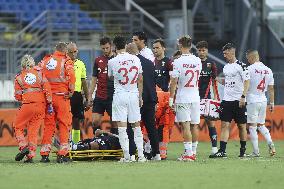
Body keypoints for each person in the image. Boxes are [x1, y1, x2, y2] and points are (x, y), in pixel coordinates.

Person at [108, 36, 146, 162]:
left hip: (120, 94)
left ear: (114, 46)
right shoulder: (135, 58)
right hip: (133, 94)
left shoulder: (112, 61)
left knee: (122, 127)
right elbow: (140, 79)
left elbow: (111, 77)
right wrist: (140, 96)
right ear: (125, 45)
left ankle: (127, 156)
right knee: (136, 126)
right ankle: (141, 156)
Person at [209, 43, 250, 158]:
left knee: (242, 126)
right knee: (224, 125)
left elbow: (247, 81)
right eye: (223, 53)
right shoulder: (226, 67)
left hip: (238, 100)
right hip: (226, 101)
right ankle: (222, 151)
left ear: (232, 52)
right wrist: (216, 79)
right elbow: (227, 82)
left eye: (226, 53)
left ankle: (242, 151)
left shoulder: (241, 66)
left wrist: (243, 96)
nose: (224, 55)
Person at [39, 42, 75, 163]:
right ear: (65, 51)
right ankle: (62, 154)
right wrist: (71, 90)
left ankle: (44, 154)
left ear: (55, 50)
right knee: (64, 124)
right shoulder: (66, 61)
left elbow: (38, 74)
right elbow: (71, 76)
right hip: (62, 97)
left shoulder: (46, 60)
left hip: (48, 99)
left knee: (49, 125)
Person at [13, 55, 52, 163]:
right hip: (41, 105)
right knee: (33, 131)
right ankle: (30, 155)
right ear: (33, 63)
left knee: (17, 126)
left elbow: (17, 96)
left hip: (27, 104)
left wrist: (24, 97)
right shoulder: (39, 74)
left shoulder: (19, 77)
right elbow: (47, 89)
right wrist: (49, 102)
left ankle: (23, 146)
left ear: (22, 65)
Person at [169, 35, 202, 161]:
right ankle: (193, 152)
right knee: (195, 125)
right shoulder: (197, 60)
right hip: (195, 96)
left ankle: (188, 154)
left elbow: (174, 82)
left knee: (186, 125)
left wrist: (171, 99)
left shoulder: (178, 62)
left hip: (183, 97)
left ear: (180, 46)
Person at [126, 43, 161, 161]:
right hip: (150, 99)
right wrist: (155, 100)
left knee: (132, 126)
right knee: (151, 127)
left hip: (137, 98)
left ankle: (132, 153)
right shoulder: (150, 63)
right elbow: (153, 82)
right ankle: (157, 154)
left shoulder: (131, 63)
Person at [246, 49, 276, 156]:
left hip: (252, 100)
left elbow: (246, 85)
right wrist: (272, 103)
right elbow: (271, 88)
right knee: (261, 125)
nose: (248, 61)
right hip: (263, 100)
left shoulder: (249, 69)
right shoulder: (269, 70)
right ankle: (270, 143)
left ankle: (256, 151)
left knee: (252, 126)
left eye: (248, 58)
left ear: (252, 57)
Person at [87, 37, 116, 134]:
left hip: (113, 95)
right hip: (100, 95)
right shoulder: (98, 60)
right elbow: (94, 78)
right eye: (103, 48)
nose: (105, 50)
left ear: (111, 46)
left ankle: (114, 143)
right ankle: (98, 142)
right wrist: (90, 95)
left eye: (107, 48)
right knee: (95, 121)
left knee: (115, 122)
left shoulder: (117, 59)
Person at [152, 39, 174, 159]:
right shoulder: (152, 62)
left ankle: (163, 151)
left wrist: (171, 97)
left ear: (163, 48)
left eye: (157, 48)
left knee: (164, 126)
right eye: (154, 48)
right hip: (154, 98)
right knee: (151, 125)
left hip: (165, 99)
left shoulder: (169, 63)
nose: (155, 50)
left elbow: (172, 82)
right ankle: (152, 149)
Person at [196, 40, 219, 155]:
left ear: (207, 51)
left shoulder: (211, 64)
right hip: (193, 97)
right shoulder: (194, 62)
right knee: (193, 123)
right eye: (199, 50)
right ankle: (192, 149)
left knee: (210, 122)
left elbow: (215, 81)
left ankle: (214, 148)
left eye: (203, 50)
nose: (201, 52)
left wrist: (215, 98)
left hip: (207, 97)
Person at [67, 42, 89, 143]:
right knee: (65, 121)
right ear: (66, 53)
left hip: (77, 94)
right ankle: (65, 143)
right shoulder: (63, 64)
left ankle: (75, 143)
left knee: (77, 120)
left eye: (75, 52)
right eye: (70, 52)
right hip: (66, 94)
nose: (73, 54)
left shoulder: (80, 64)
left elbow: (84, 82)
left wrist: (88, 99)